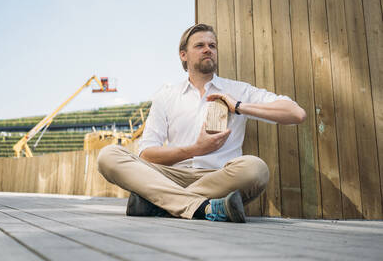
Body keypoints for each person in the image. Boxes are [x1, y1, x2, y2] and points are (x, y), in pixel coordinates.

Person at [97, 23, 306, 223]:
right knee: (108, 156)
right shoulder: (166, 97)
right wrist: (195, 149)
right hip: (171, 176)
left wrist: (239, 106)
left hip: (219, 176)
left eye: (212, 45)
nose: (208, 49)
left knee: (256, 169)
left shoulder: (238, 91)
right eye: (200, 45)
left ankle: (158, 204)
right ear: (183, 55)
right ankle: (204, 208)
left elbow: (296, 113)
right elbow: (147, 155)